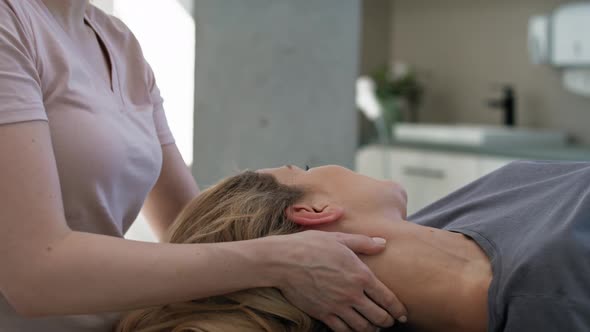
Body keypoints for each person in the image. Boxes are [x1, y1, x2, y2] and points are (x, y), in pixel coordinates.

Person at [0, 1, 407, 331]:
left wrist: (304, 256)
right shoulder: (12, 22)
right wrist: (281, 260)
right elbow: (35, 274)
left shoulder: (117, 40)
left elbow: (192, 229)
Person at [117, 162, 590, 332]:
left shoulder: (446, 222)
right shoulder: (557, 289)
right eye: (302, 167)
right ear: (314, 212)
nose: (323, 161)